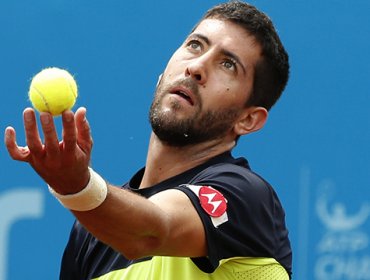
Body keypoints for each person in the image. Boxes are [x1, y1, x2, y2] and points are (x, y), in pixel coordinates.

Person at [5, 1, 292, 279]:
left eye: (228, 64)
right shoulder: (92, 233)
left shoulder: (247, 198)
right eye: (195, 45)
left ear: (248, 119)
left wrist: (76, 187)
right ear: (161, 76)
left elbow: (152, 231)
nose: (196, 68)